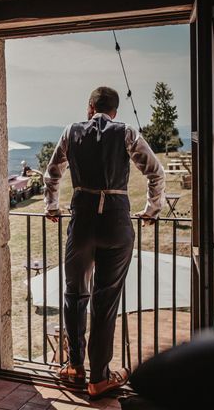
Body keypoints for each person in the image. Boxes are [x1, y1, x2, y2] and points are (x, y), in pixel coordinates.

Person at [44, 86, 165, 399]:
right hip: (116, 223)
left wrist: (52, 206)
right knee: (105, 300)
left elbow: (52, 172)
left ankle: (73, 366)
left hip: (82, 224)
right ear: (114, 111)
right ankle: (99, 377)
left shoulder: (71, 132)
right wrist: (152, 209)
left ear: (90, 107)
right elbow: (156, 172)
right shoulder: (126, 132)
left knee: (74, 294)